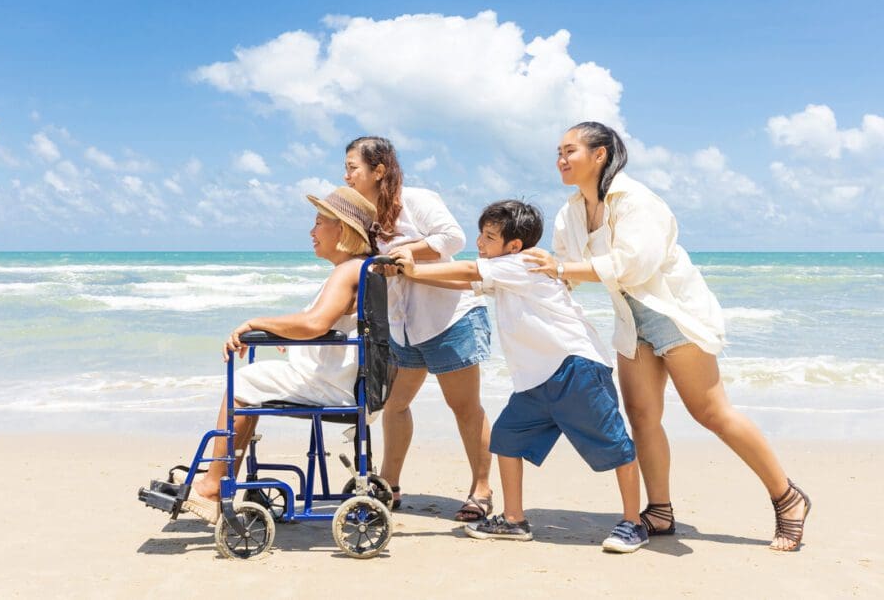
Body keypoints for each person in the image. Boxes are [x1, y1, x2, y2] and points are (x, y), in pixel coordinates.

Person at [523, 121, 811, 552]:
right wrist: (513, 273)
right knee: (642, 416)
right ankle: (659, 510)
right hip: (630, 320)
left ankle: (788, 497)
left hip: (672, 315)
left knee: (710, 412)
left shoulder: (636, 200)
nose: (561, 160)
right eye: (558, 153)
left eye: (570, 151)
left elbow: (632, 266)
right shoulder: (570, 213)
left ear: (600, 155)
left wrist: (561, 268)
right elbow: (567, 271)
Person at [393, 200, 648, 552]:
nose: (480, 242)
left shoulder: (521, 263)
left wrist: (414, 271)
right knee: (506, 438)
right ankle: (514, 520)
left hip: (575, 369)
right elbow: (466, 283)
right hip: (536, 381)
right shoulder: (505, 271)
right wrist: (413, 276)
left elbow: (467, 271)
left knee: (615, 445)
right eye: (481, 234)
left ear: (513, 245)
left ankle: (633, 523)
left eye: (489, 236)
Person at [181, 186, 379, 522]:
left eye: (319, 223)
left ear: (342, 230)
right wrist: (284, 332)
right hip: (344, 380)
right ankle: (220, 478)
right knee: (252, 384)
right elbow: (319, 323)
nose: (312, 232)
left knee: (242, 383)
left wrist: (256, 323)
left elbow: (316, 323)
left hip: (331, 385)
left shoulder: (348, 270)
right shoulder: (360, 268)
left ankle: (213, 486)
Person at [344, 136, 494, 521]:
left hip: (449, 318)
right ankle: (389, 484)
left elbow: (453, 237)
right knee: (395, 405)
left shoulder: (416, 199)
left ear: (379, 170)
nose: (347, 176)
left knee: (463, 407)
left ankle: (482, 489)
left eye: (352, 168)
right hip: (404, 325)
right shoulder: (365, 217)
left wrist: (408, 252)